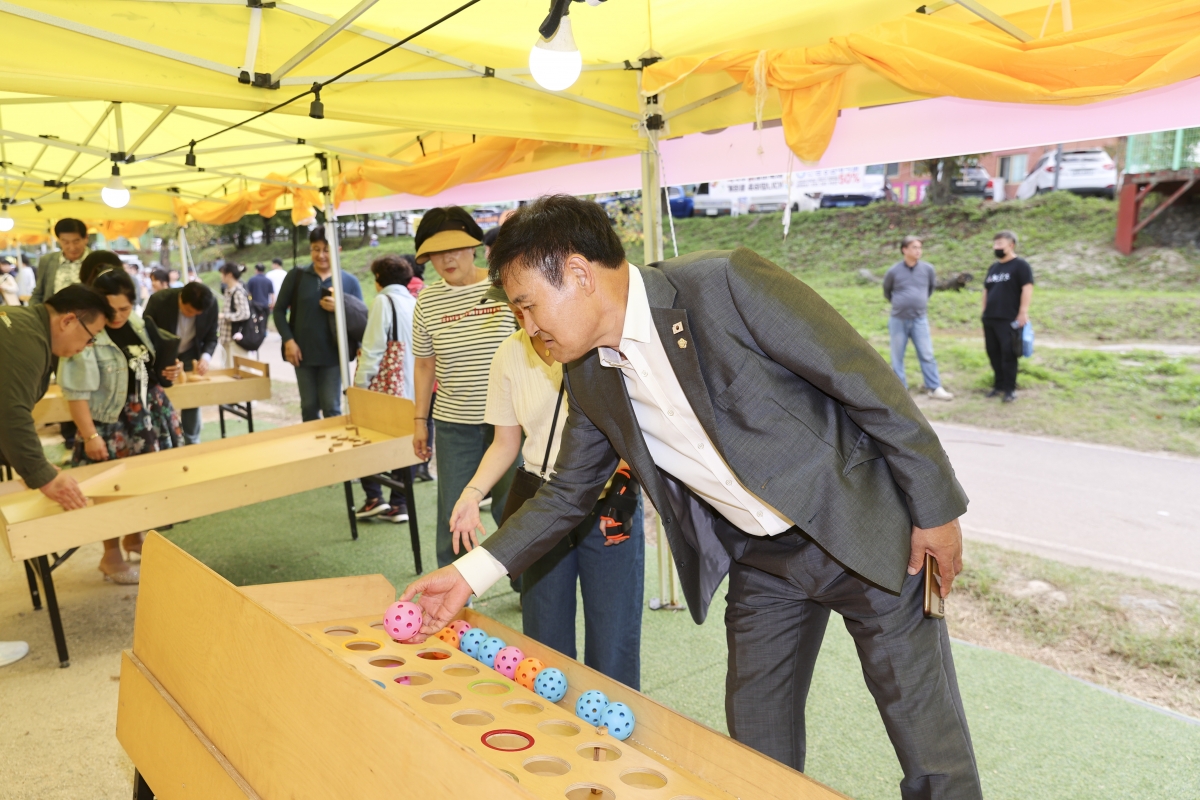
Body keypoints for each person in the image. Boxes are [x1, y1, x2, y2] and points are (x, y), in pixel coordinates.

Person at [402, 195, 981, 799]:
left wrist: (936, 510)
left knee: (927, 744)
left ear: (576, 272)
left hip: (860, 527)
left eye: (527, 306)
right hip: (765, 564)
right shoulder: (588, 373)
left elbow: (865, 382)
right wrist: (468, 576)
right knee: (756, 747)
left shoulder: (724, 284)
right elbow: (567, 494)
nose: (529, 327)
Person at [448, 286, 645, 687]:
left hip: (608, 501)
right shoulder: (508, 354)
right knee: (543, 646)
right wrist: (472, 494)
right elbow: (506, 443)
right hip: (541, 507)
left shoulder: (596, 347)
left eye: (530, 306)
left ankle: (614, 743)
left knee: (614, 646)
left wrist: (624, 491)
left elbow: (636, 430)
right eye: (516, 310)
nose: (527, 320)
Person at [59, 259, 184, 584]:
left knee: (142, 484)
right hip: (109, 422)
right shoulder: (87, 334)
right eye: (110, 309)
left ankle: (133, 537)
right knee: (109, 488)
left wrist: (172, 370)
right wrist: (89, 435)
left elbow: (150, 366)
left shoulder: (140, 323)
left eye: (125, 308)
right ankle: (110, 555)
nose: (117, 316)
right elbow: (75, 393)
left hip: (147, 414)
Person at [410, 207, 518, 568]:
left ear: (473, 247)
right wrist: (419, 421)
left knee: (514, 508)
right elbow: (425, 364)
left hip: (512, 422)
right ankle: (452, 591)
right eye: (438, 252)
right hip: (455, 423)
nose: (448, 258)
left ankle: (527, 584)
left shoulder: (504, 286)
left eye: (455, 248)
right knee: (454, 510)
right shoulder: (427, 300)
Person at [0, 283, 113, 511]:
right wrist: (44, 476)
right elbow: (11, 412)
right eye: (91, 337)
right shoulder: (26, 340)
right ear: (68, 321)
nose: (86, 347)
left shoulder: (24, 323)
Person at [273, 227, 363, 420]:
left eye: (326, 250)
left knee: (331, 407)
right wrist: (289, 341)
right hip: (302, 355)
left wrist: (340, 307)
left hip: (334, 356)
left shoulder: (348, 281)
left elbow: (361, 319)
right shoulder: (296, 276)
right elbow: (279, 310)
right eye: (316, 249)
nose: (321, 255)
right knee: (308, 407)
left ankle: (335, 449)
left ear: (338, 250)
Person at [354, 255, 417, 523]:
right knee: (406, 445)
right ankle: (399, 503)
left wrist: (360, 384)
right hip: (411, 388)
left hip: (386, 387)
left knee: (368, 439)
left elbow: (373, 348)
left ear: (378, 280)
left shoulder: (383, 301)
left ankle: (374, 497)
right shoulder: (414, 302)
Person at [143, 282, 218, 444]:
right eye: (189, 311)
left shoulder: (210, 305)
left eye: (198, 313)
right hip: (161, 353)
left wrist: (205, 357)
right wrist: (161, 360)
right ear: (180, 299)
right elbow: (146, 334)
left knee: (191, 396)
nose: (193, 315)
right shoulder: (159, 300)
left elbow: (212, 336)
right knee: (160, 394)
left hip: (191, 352)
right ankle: (162, 438)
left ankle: (192, 440)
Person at [883, 236, 953, 401]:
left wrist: (916, 303)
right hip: (898, 319)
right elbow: (887, 291)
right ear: (904, 250)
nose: (918, 250)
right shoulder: (894, 271)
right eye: (914, 247)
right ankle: (901, 391)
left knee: (927, 354)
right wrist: (901, 303)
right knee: (897, 356)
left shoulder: (928, 269)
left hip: (919, 319)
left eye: (920, 247)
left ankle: (934, 388)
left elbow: (930, 288)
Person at [982, 230, 1033, 403]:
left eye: (1000, 244)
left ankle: (1010, 389)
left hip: (1009, 318)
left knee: (1008, 353)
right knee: (993, 352)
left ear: (1011, 245)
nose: (996, 247)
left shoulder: (1020, 265)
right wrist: (984, 312)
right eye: (995, 244)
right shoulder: (994, 267)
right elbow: (986, 290)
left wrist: (1023, 312)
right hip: (990, 318)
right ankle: (999, 385)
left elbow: (1027, 288)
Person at [29, 218, 89, 305]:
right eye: (66, 242)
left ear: (86, 238)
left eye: (76, 241)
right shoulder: (47, 261)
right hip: (54, 316)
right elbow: (38, 294)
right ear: (59, 240)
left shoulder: (98, 260)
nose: (72, 247)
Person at [218, 263, 253, 362]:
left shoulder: (238, 292)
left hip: (235, 338)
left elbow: (244, 313)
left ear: (229, 275)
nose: (221, 276)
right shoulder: (229, 290)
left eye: (222, 273)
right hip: (227, 337)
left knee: (241, 370)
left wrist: (224, 316)